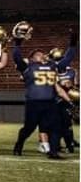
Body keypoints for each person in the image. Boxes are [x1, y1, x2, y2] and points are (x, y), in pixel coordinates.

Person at [12, 29, 76, 159]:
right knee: (29, 128)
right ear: (32, 58)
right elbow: (17, 57)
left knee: (55, 127)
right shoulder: (28, 66)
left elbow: (68, 58)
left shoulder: (53, 65)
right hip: (34, 103)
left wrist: (73, 42)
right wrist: (18, 42)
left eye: (42, 53)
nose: (41, 55)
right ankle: (19, 145)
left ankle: (53, 152)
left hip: (50, 103)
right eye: (38, 54)